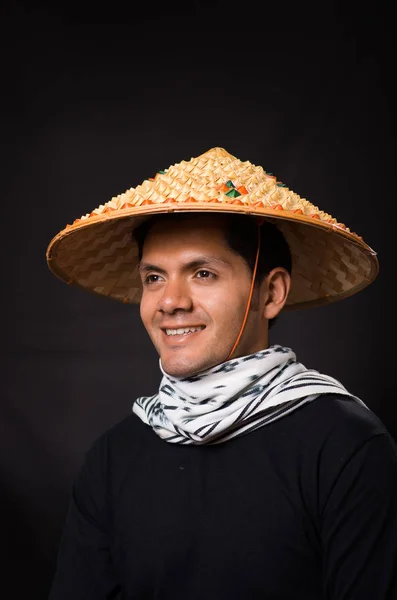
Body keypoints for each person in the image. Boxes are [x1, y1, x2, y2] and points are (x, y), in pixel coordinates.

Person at [46, 147, 397, 599]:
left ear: (270, 293)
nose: (170, 301)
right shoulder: (114, 458)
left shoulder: (345, 447)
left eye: (203, 273)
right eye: (154, 277)